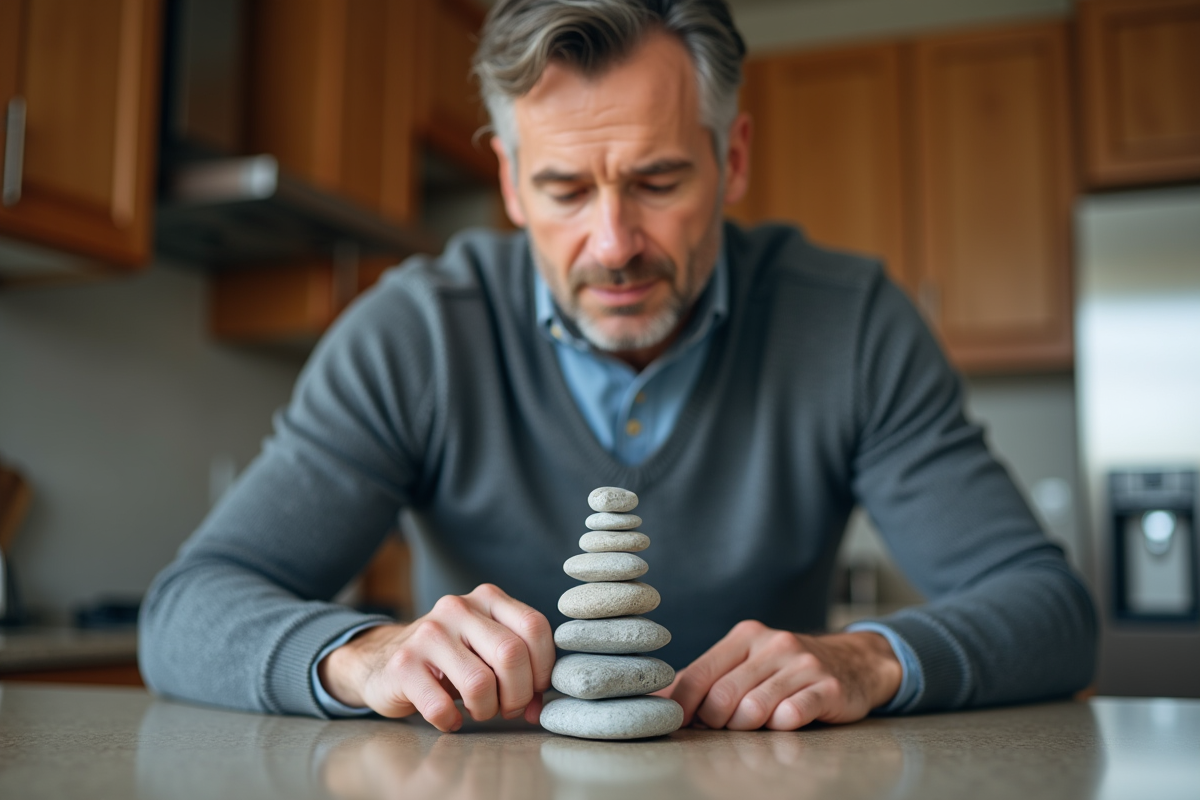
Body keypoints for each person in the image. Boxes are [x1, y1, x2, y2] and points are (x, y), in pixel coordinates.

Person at [139, 0, 1095, 733]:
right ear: (510, 184)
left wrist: (869, 660)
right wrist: (361, 654)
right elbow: (186, 609)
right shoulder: (415, 334)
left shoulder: (849, 325)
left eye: (658, 180)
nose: (613, 243)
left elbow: (1050, 611)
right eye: (563, 188)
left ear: (735, 159)